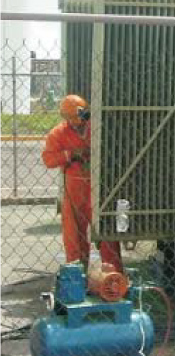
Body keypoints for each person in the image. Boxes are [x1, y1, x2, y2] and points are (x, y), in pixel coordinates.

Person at [42, 95, 123, 273]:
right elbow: (48, 159)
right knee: (74, 235)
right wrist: (70, 155)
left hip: (98, 187)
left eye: (77, 118)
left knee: (106, 229)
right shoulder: (58, 133)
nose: (74, 122)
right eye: (70, 118)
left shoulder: (96, 127)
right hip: (74, 189)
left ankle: (114, 273)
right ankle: (77, 273)